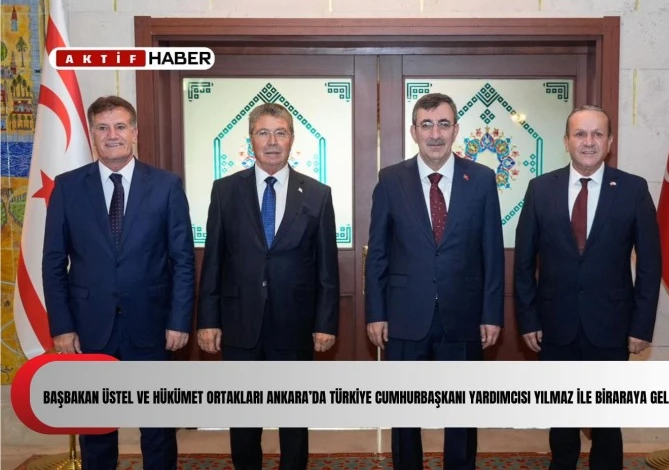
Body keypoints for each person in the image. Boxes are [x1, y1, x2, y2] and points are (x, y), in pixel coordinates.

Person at [42, 95, 196, 469]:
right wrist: (62, 326)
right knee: (96, 430)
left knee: (158, 429)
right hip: (89, 328)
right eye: (103, 127)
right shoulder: (67, 187)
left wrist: (179, 320)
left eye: (120, 126)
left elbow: (182, 260)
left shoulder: (166, 185)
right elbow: (53, 262)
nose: (112, 135)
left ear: (135, 132)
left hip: (152, 326)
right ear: (92, 134)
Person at [514, 105, 662, 470]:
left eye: (597, 134)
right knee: (561, 418)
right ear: (566, 141)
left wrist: (641, 326)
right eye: (580, 134)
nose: (589, 141)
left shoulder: (633, 189)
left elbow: (650, 264)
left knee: (607, 421)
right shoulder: (540, 189)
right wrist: (528, 319)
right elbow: (523, 263)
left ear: (610, 142)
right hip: (555, 326)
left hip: (611, 326)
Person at [365, 93, 505, 470]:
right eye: (426, 125)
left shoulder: (481, 179)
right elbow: (378, 253)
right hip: (405, 316)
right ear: (414, 131)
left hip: (464, 315)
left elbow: (492, 252)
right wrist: (376, 312)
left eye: (443, 124)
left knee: (461, 413)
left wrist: (491, 313)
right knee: (405, 414)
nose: (435, 134)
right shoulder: (391, 180)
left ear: (456, 130)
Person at [196, 103, 340, 470]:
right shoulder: (225, 191)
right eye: (263, 133)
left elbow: (327, 267)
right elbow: (214, 260)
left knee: (293, 421)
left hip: (295, 324)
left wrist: (325, 322)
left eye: (280, 133)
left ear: (292, 139)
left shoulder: (318, 194)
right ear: (251, 140)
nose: (272, 141)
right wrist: (208, 319)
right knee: (244, 421)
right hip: (239, 322)